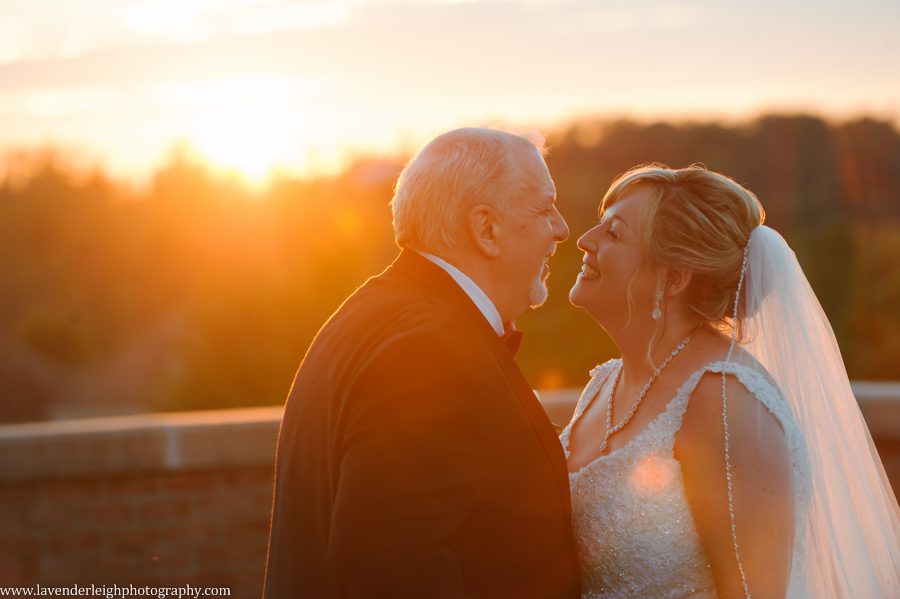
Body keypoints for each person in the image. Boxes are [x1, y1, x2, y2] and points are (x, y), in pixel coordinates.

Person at [263, 127, 582, 598]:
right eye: (544, 208)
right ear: (486, 229)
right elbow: (388, 563)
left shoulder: (370, 311)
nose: (561, 228)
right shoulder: (431, 352)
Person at [563, 164, 900, 597]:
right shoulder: (604, 383)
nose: (584, 240)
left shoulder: (725, 400)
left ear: (674, 278)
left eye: (613, 233)